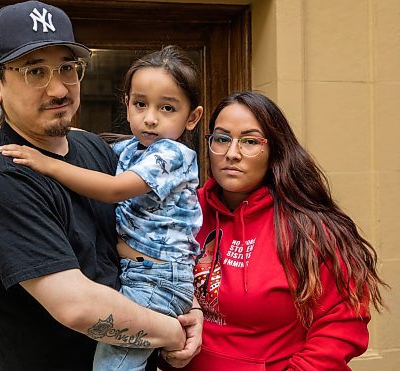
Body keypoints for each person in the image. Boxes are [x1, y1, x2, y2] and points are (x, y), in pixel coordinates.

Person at [0, 0, 202, 371]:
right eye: (34, 71)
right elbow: (78, 307)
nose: (58, 89)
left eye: (67, 68)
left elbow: (148, 231)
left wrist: (189, 307)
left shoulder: (93, 149)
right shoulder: (0, 179)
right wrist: (172, 332)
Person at [161, 91, 387, 370]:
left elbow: (341, 323)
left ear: (274, 150)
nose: (232, 153)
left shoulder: (310, 229)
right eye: (221, 139)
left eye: (250, 141)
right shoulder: (184, 212)